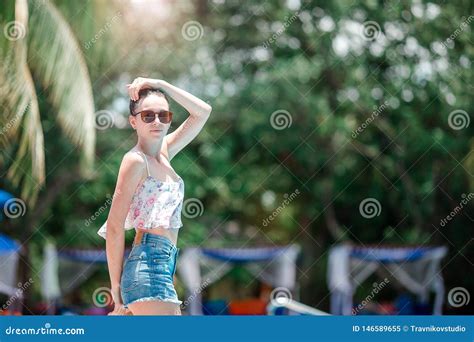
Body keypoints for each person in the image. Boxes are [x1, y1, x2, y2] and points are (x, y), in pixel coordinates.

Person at [98, 77, 212, 315]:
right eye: (147, 115)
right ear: (133, 121)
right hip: (147, 266)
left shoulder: (164, 152)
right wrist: (115, 289)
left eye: (164, 115)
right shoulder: (135, 161)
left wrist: (161, 84)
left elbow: (202, 112)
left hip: (165, 266)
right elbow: (115, 227)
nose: (157, 121)